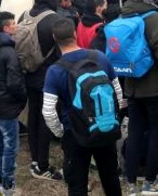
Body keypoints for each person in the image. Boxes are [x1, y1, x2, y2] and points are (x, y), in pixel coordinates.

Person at [43, 17, 124, 196]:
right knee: (110, 176)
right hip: (104, 126)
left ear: (55, 39)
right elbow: (117, 91)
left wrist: (60, 132)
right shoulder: (100, 57)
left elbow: (48, 110)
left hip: (74, 132)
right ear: (74, 34)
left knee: (77, 182)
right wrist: (113, 117)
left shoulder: (55, 71)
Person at [121, 0, 158, 195]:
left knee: (134, 132)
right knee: (156, 132)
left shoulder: (122, 14)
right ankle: (151, 182)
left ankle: (131, 182)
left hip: (131, 84)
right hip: (155, 85)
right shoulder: (155, 17)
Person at [24, 0, 65, 182]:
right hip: (48, 76)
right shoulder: (54, 19)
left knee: (33, 115)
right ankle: (42, 164)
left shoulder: (26, 15)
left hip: (29, 72)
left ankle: (34, 158)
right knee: (46, 119)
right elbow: (61, 51)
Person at [0, 12, 26, 195]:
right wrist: (21, 99)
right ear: (6, 28)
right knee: (10, 145)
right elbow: (14, 83)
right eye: (13, 24)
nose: (16, 26)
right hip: (8, 105)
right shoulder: (9, 52)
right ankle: (8, 184)